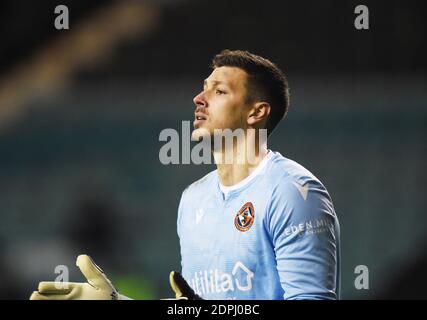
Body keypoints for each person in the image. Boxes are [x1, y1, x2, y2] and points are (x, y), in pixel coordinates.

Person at [30, 50, 340, 300]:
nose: (199, 99)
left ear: (256, 112)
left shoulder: (293, 193)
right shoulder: (193, 199)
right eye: (203, 88)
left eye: (218, 91)